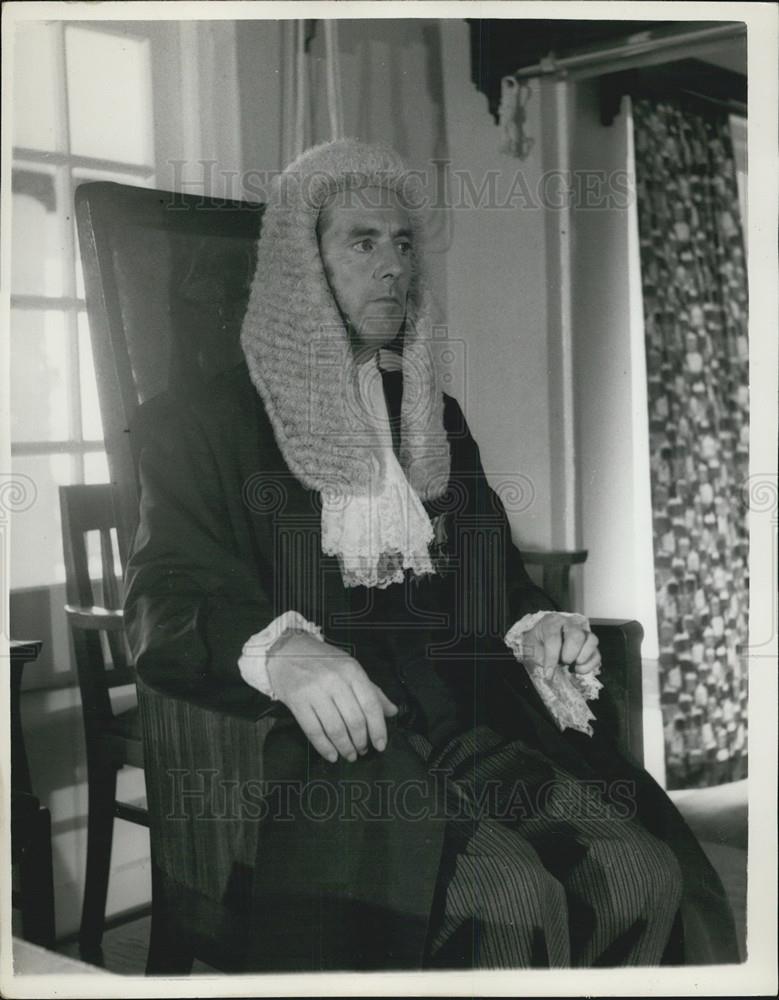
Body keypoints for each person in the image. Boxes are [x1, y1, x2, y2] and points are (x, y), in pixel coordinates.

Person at [124, 139, 739, 971]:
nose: (393, 267)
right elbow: (165, 603)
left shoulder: (430, 412)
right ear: (298, 267)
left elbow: (493, 579)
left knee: (641, 874)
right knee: (513, 899)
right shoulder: (193, 424)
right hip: (338, 753)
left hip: (464, 716)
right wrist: (285, 648)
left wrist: (534, 624)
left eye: (403, 242)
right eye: (361, 241)